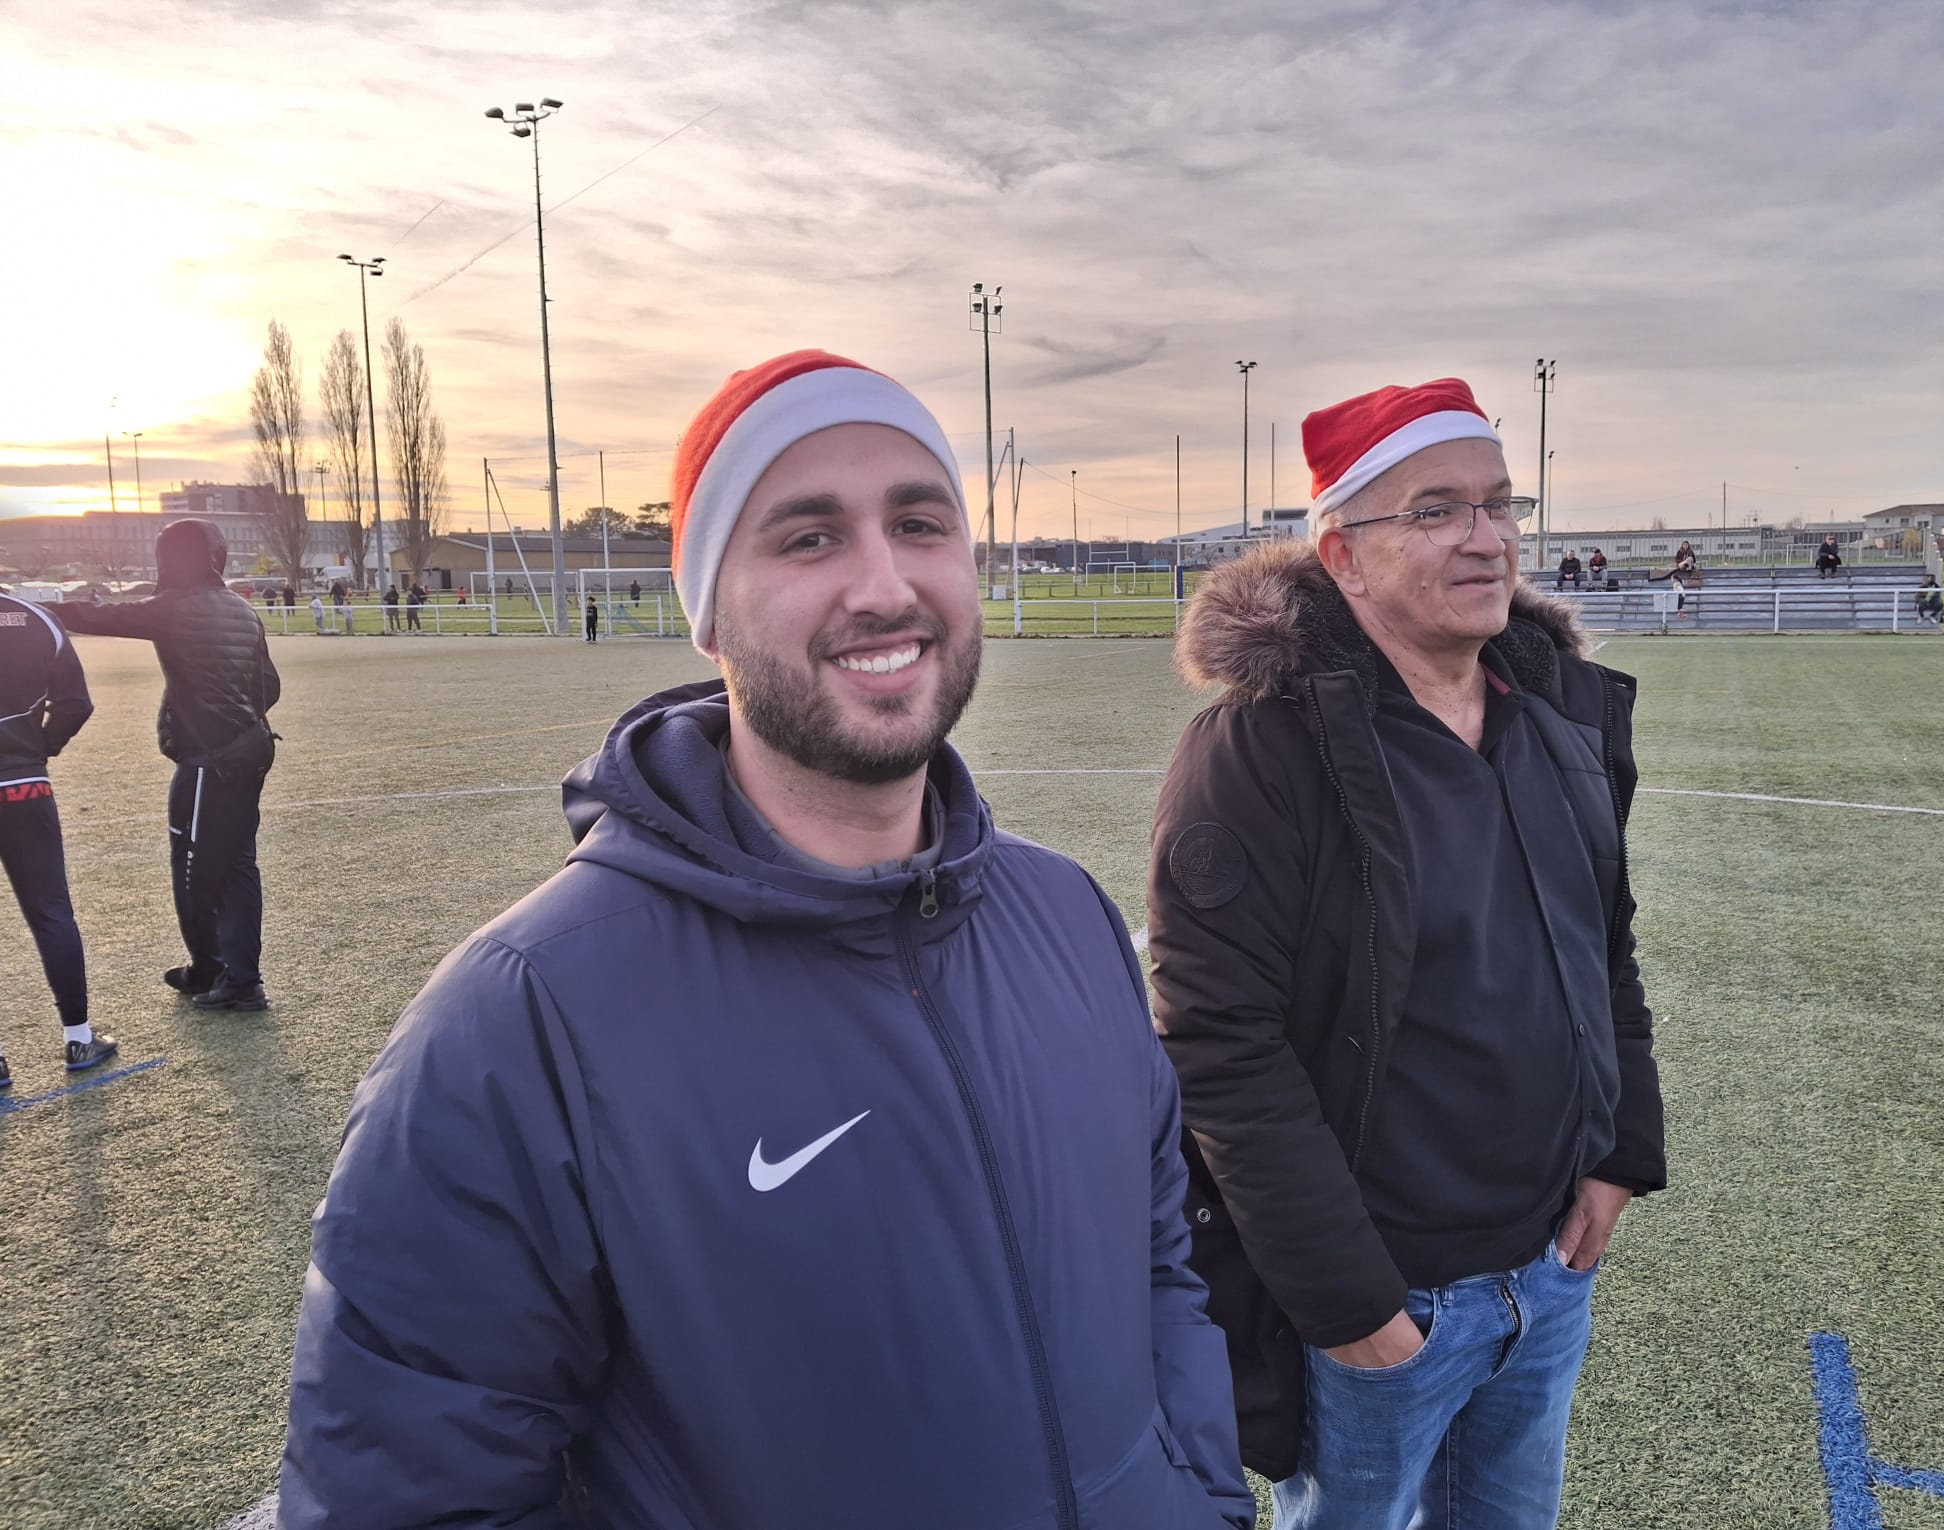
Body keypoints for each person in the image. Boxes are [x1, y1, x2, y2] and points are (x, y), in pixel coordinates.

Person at [282, 350, 1253, 1530]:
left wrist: (1199, 1496)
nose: (883, 584)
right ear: (708, 612)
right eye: (809, 537)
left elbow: (1159, 1258)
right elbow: (414, 1491)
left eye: (920, 524)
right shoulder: (522, 1017)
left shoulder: (1065, 911)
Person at [1148, 378, 1666, 1530]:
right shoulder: (1260, 750)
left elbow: (1606, 944)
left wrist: (1620, 1150)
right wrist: (1355, 1311)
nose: (1487, 539)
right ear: (1343, 557)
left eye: (1500, 503)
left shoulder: (1560, 715)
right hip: (1387, 1303)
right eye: (1436, 511)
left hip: (1548, 1271)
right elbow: (1220, 1044)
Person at [53, 519, 280, 1012]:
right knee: (239, 864)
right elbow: (270, 686)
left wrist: (26, 608)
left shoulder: (173, 608)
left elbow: (96, 616)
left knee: (193, 868)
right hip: (251, 750)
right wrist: (236, 718)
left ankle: (210, 970)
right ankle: (242, 979)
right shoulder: (242, 609)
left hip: (209, 760)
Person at [0, 589, 118, 1087]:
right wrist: (37, 748)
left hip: (23, 773)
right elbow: (76, 703)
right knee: (52, 911)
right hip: (24, 784)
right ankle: (79, 1038)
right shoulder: (35, 618)